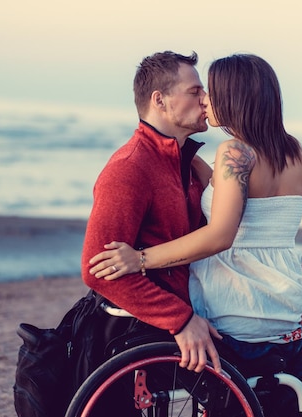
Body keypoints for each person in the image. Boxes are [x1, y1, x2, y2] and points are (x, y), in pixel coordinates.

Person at [88, 53, 302, 415]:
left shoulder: (235, 153)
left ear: (234, 97)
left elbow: (220, 234)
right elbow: (264, 225)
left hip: (238, 301)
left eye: (210, 92)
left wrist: (139, 259)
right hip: (285, 296)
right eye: (198, 91)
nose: (205, 100)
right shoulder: (293, 151)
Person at [80, 50, 223, 376]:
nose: (205, 100)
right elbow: (96, 271)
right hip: (140, 330)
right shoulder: (130, 168)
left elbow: (232, 228)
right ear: (160, 100)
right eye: (195, 91)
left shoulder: (183, 162)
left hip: (194, 310)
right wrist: (180, 319)